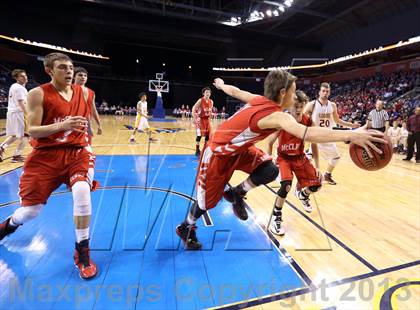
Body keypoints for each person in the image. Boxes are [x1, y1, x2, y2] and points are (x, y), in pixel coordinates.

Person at [175, 70, 386, 250]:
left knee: (269, 169)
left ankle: (237, 193)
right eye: (293, 92)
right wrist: (352, 135)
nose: (295, 97)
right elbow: (307, 133)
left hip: (240, 151)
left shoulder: (260, 100)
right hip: (218, 155)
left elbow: (236, 92)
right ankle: (186, 227)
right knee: (205, 203)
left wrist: (222, 85)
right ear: (283, 93)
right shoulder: (277, 116)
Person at [0, 53, 98, 279]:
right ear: (49, 70)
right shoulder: (37, 93)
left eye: (71, 67)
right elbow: (32, 130)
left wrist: (91, 131)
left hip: (77, 152)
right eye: (63, 67)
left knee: (82, 189)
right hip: (46, 156)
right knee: (31, 211)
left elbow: (88, 116)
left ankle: (82, 251)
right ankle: (9, 225)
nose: (69, 71)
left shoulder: (84, 93)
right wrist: (64, 124)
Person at [266, 91, 321, 235]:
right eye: (295, 106)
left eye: (301, 107)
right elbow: (270, 141)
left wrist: (318, 166)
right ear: (290, 105)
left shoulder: (308, 121)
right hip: (284, 158)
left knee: (317, 184)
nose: (298, 109)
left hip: (299, 157)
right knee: (285, 185)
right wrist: (268, 161)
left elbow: (314, 143)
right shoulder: (282, 120)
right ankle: (276, 218)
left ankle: (303, 194)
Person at [304, 82, 360, 185]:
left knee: (335, 157)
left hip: (327, 136)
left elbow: (338, 121)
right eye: (323, 91)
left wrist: (352, 125)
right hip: (316, 135)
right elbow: (302, 118)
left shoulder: (332, 105)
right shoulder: (312, 104)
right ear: (319, 92)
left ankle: (326, 175)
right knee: (310, 157)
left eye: (327, 91)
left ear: (329, 92)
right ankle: (305, 176)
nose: (325, 93)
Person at [0, 69, 29, 163]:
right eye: (21, 76)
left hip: (12, 113)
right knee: (27, 135)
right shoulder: (20, 88)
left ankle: (1, 147)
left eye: (25, 75)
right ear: (16, 78)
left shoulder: (14, 86)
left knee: (15, 135)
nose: (25, 77)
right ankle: (17, 155)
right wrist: (28, 115)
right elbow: (21, 103)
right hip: (19, 113)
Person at [73, 67, 102, 145]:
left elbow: (93, 110)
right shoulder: (68, 89)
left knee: (86, 149)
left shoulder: (91, 92)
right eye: (80, 75)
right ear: (74, 76)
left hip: (85, 124)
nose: (83, 77)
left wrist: (98, 124)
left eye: (85, 76)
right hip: (71, 123)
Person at [192, 87, 213, 156]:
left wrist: (210, 119)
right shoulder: (200, 100)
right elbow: (193, 108)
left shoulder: (211, 101)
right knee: (199, 135)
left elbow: (210, 111)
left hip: (207, 120)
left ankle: (205, 149)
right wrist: (194, 118)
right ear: (203, 93)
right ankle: (197, 149)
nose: (208, 93)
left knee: (208, 135)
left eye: (209, 92)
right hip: (200, 119)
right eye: (206, 92)